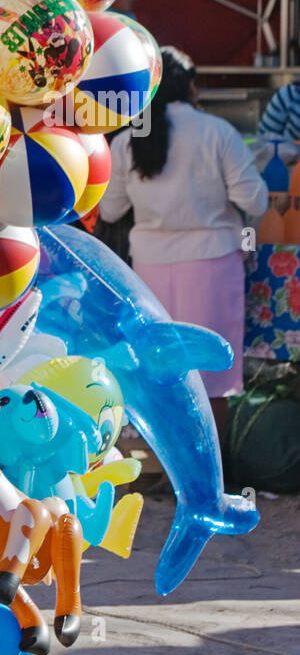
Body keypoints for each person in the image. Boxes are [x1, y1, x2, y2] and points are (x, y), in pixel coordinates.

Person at [99, 47, 268, 445]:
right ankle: (215, 470)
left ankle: (163, 468)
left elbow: (109, 209)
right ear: (192, 86)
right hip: (212, 266)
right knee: (213, 371)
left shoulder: (130, 140)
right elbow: (255, 201)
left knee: (160, 370)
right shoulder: (217, 132)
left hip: (149, 270)